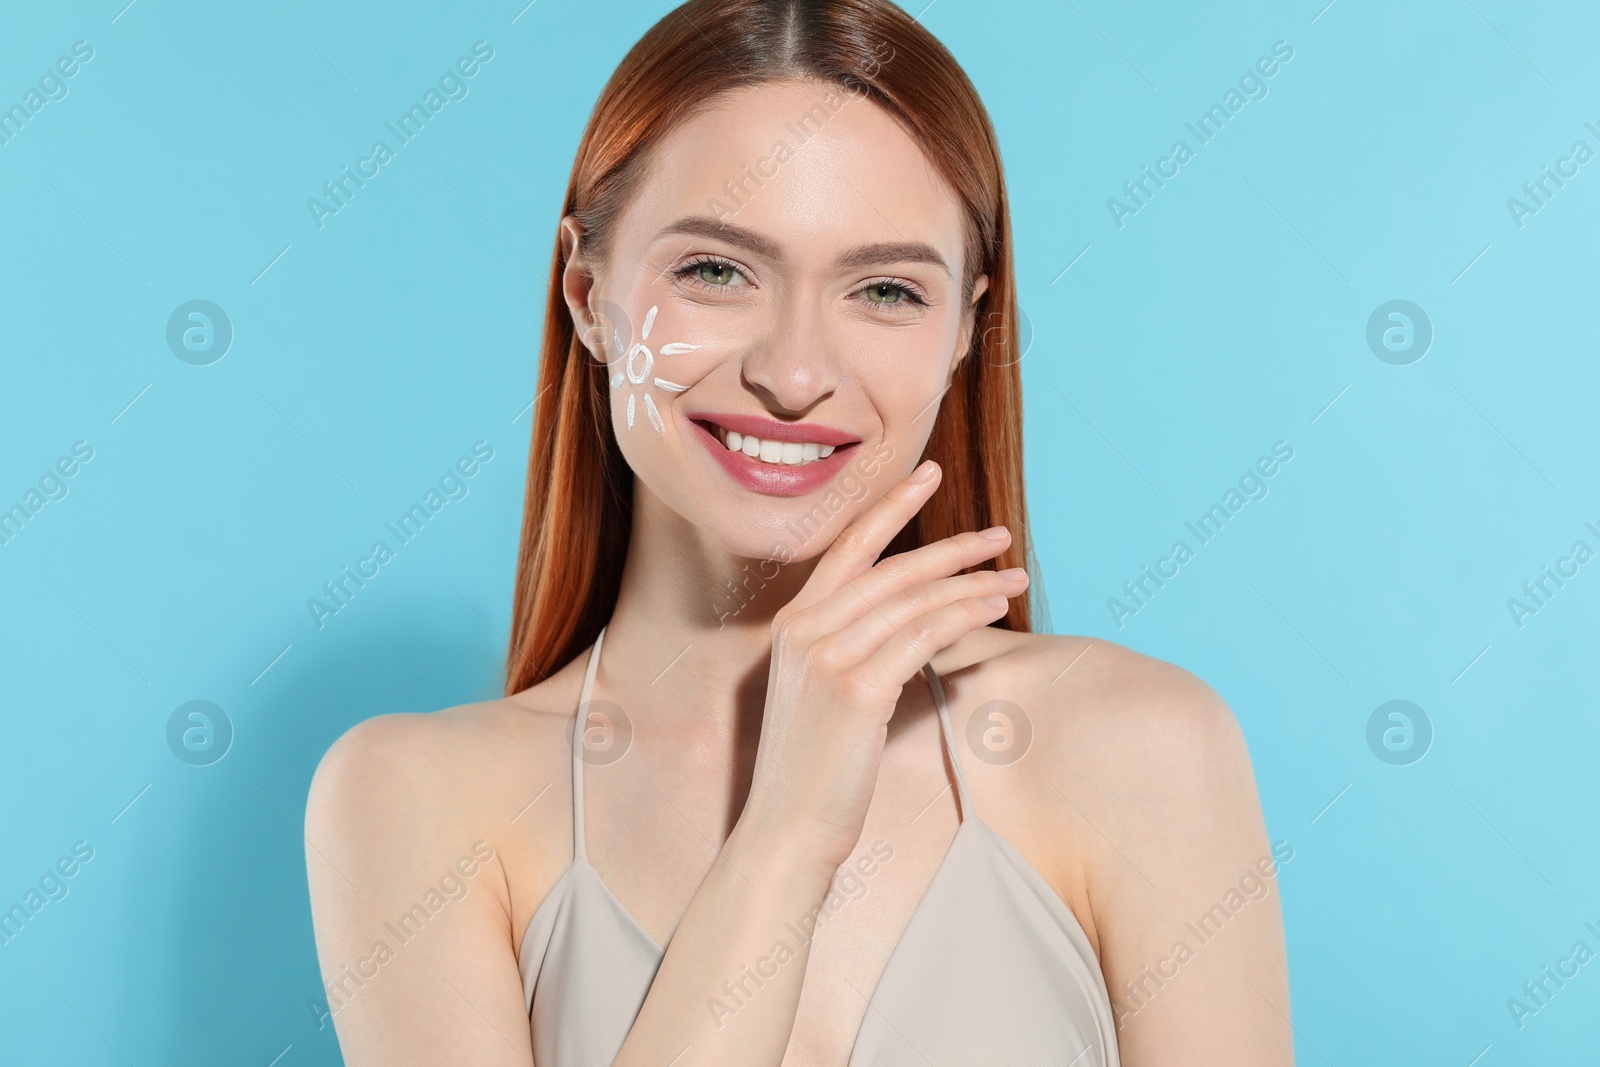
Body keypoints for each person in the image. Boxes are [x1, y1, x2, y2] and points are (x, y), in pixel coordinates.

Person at [305, 0, 1292, 1063]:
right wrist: (784, 836)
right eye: (716, 271)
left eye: (884, 289)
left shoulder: (1139, 746)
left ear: (967, 325)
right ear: (589, 298)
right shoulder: (414, 800)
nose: (793, 373)